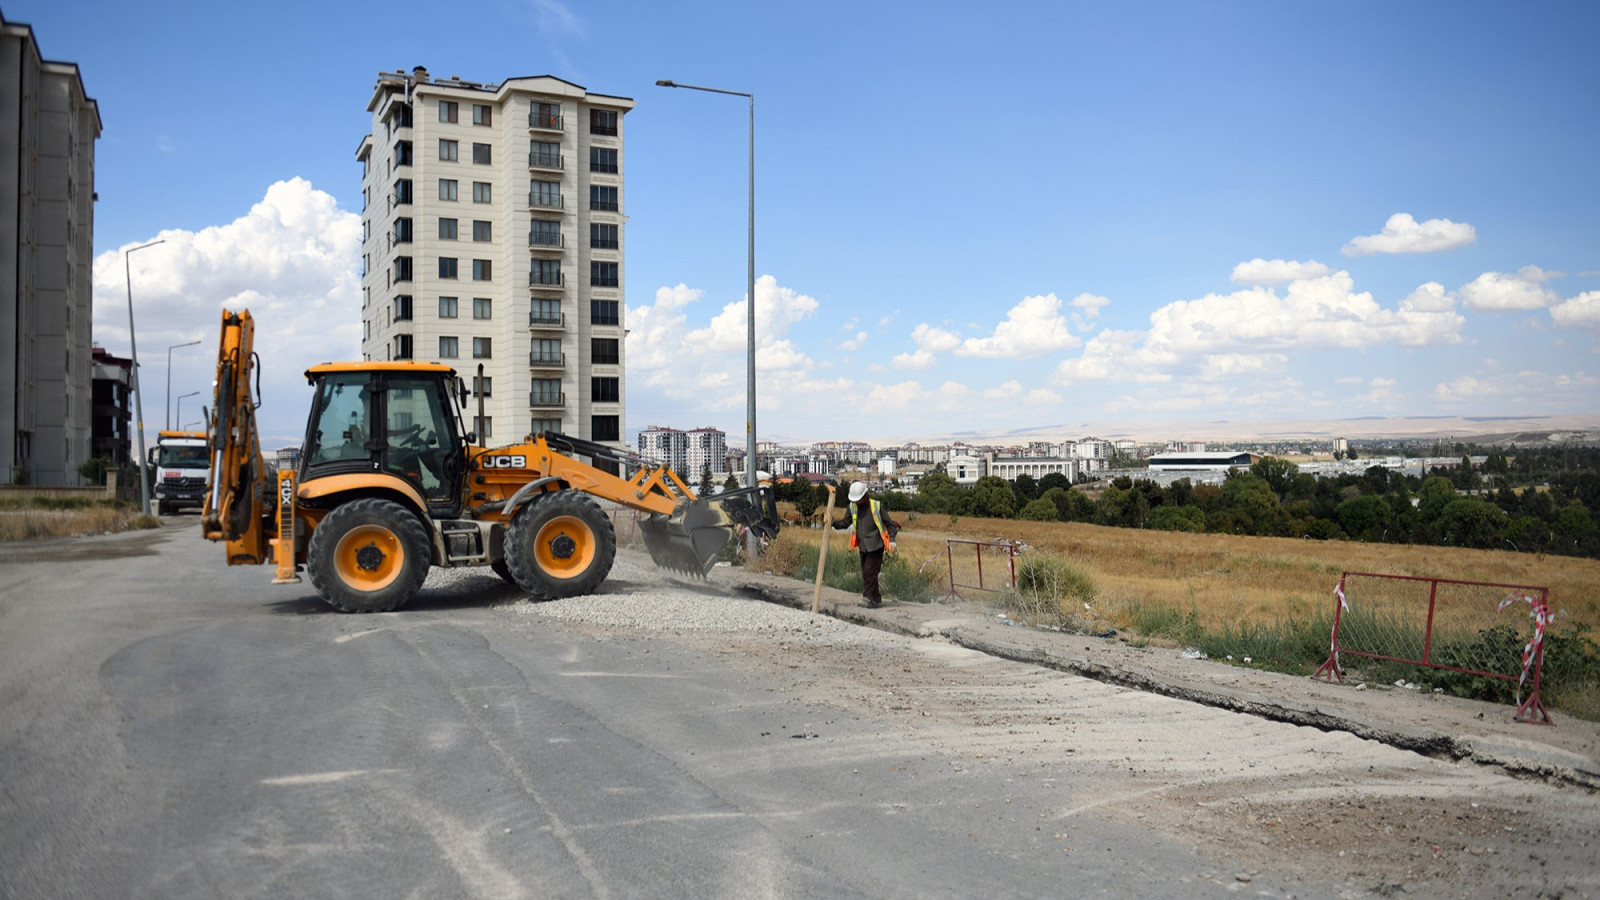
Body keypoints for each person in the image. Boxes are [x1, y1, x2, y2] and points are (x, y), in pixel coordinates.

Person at [832, 481, 899, 608]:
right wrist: (833, 523)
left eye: (859, 500)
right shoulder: (852, 507)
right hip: (863, 545)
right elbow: (845, 523)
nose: (857, 503)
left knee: (869, 572)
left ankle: (867, 597)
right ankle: (876, 598)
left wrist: (892, 540)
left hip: (876, 545)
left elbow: (890, 524)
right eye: (855, 501)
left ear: (865, 496)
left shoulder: (876, 506)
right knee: (867, 573)